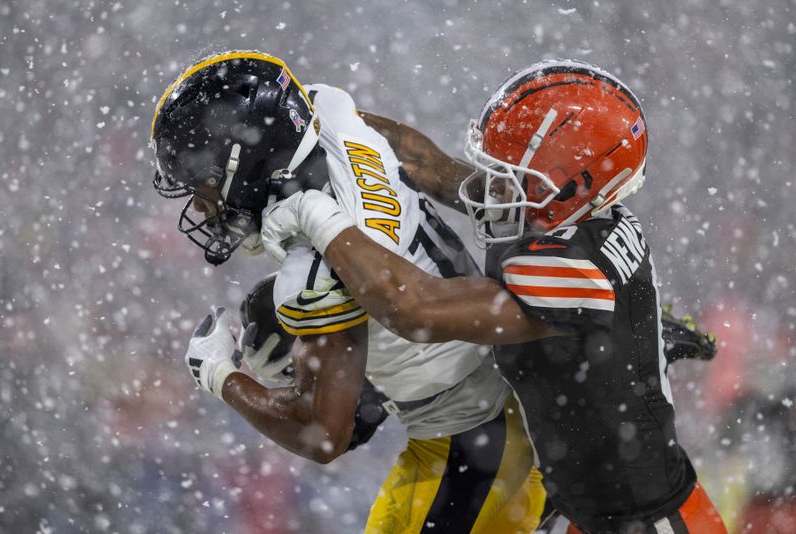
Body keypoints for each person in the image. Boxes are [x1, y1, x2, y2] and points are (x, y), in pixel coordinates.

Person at [259, 59, 729, 533]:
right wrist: (306, 122)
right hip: (582, 508)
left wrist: (318, 215)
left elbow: (413, 308)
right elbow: (426, 163)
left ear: (578, 181)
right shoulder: (568, 208)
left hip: (641, 523)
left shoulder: (571, 267)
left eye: (513, 174)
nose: (496, 185)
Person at [150, 50, 547, 533]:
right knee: (272, 317)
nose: (200, 203)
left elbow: (320, 435)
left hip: (473, 444)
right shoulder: (327, 112)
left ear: (242, 164)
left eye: (204, 184)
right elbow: (423, 161)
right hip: (513, 384)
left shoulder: (314, 273)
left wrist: (219, 375)